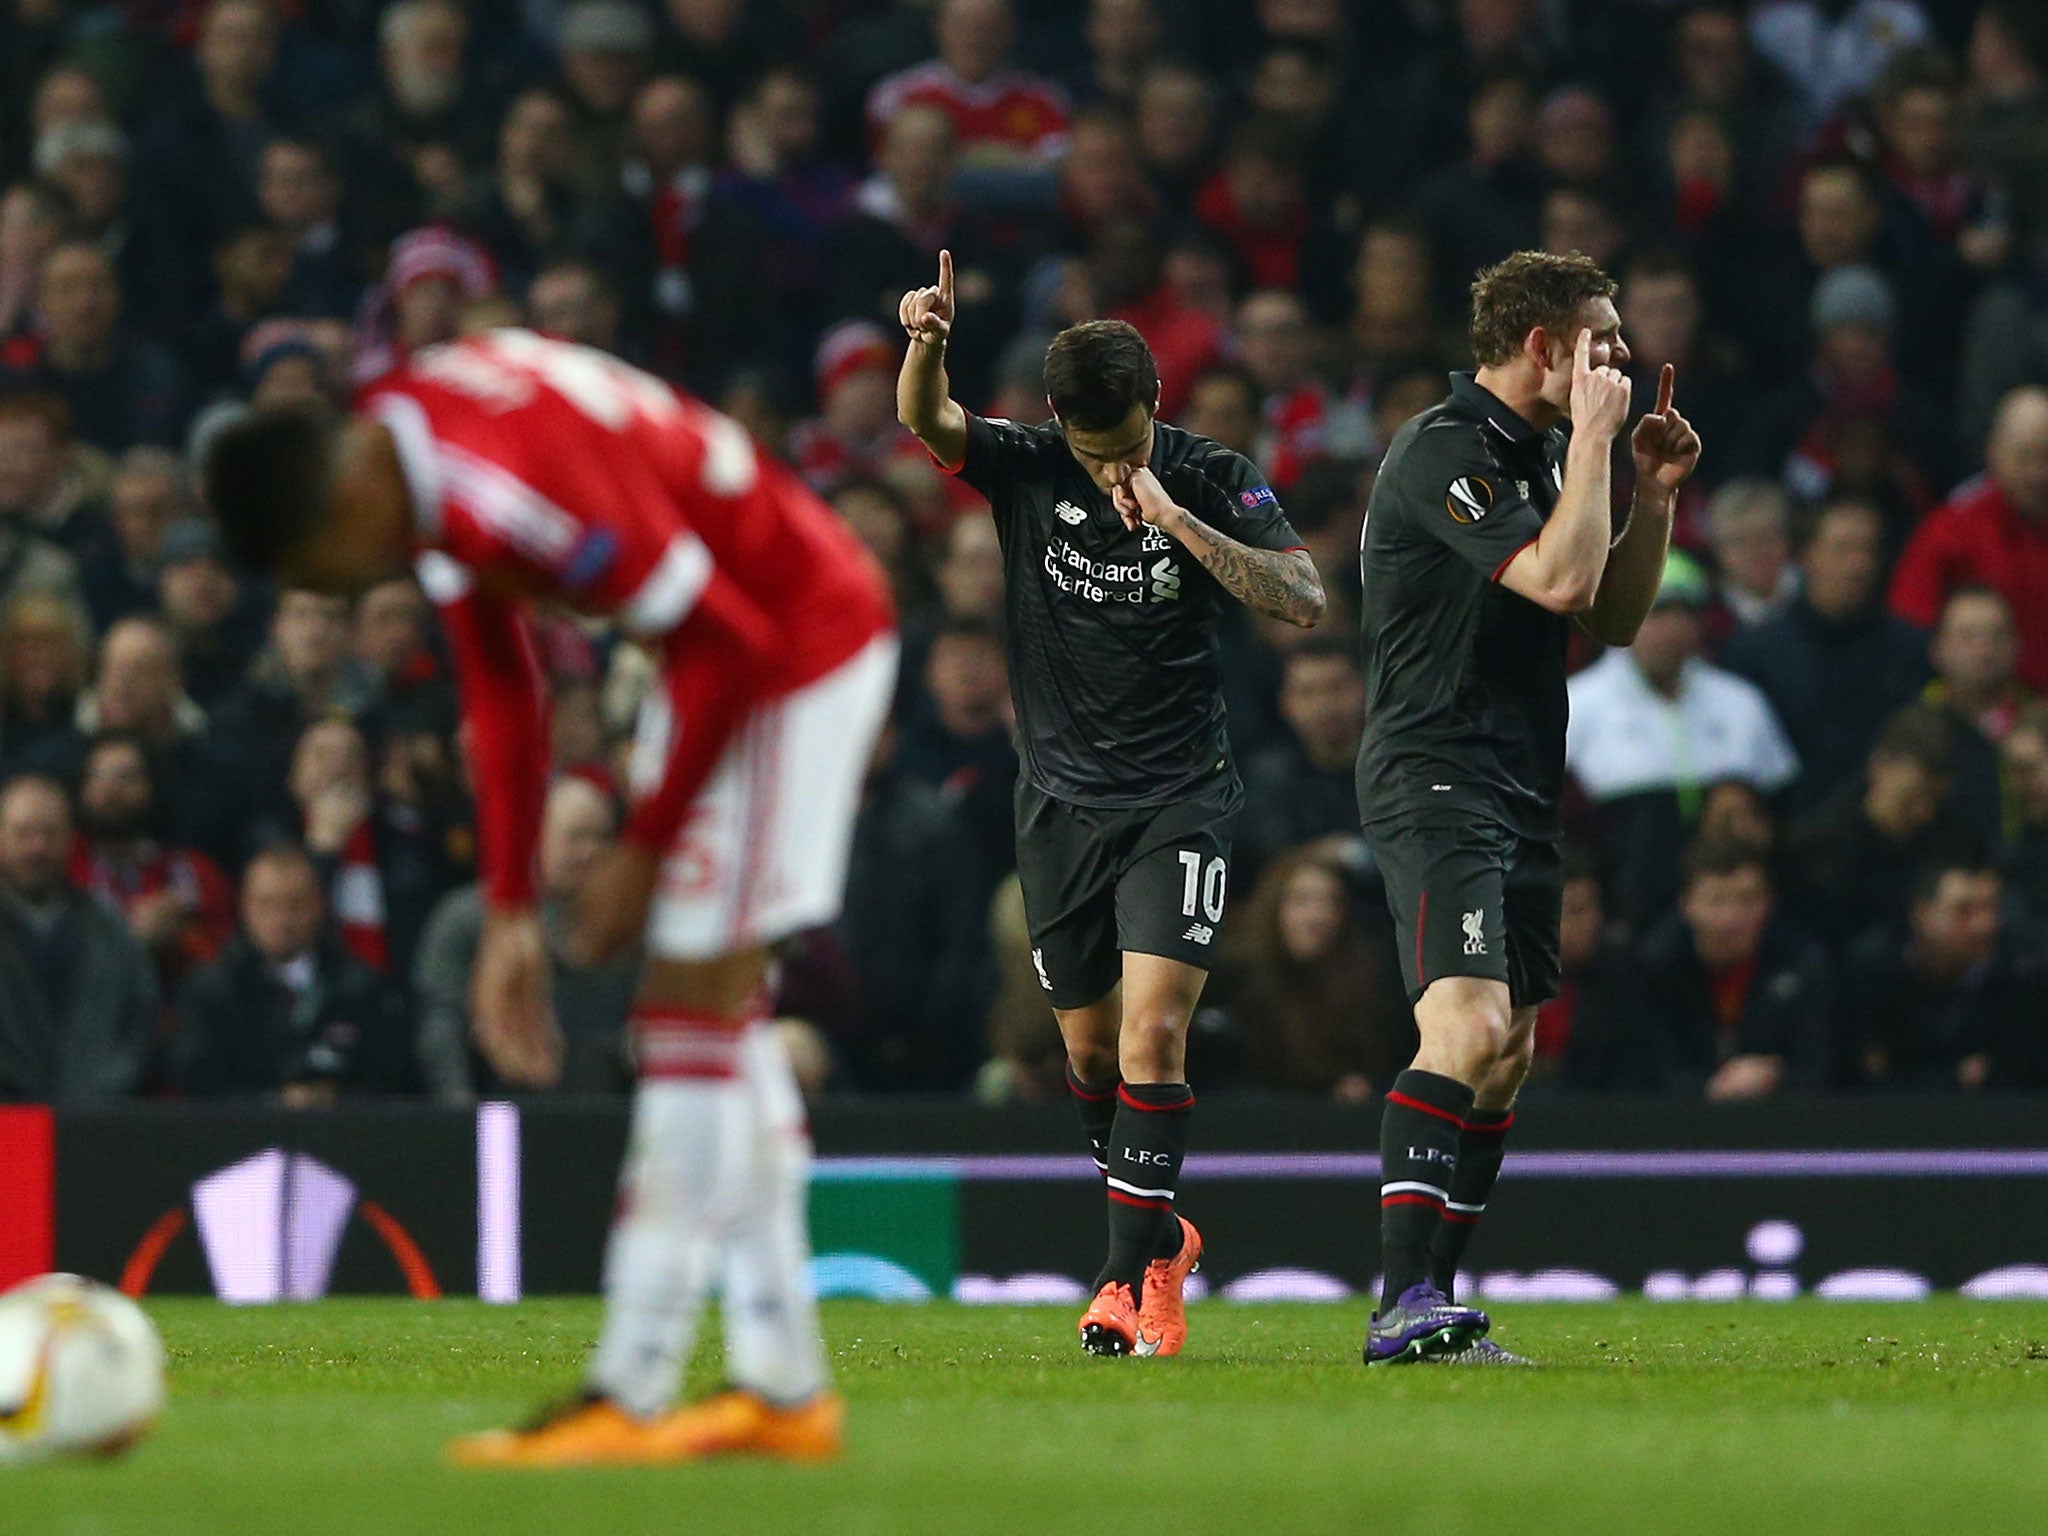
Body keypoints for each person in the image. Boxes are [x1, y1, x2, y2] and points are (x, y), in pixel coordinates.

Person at [203, 326, 894, 1464]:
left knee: (681, 1016)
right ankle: (781, 1386)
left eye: (334, 571)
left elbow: (733, 637)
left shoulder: (500, 493)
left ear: (342, 513)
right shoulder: (404, 433)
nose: (361, 585)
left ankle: (629, 1389)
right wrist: (509, 908)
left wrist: (639, 843)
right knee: (713, 1026)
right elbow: (499, 680)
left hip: (795, 648)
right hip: (722, 649)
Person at [895, 253, 1325, 1358]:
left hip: (1177, 796)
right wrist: (926, 343)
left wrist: (1177, 520)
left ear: (1157, 405)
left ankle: (1120, 1281)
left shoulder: (1211, 474)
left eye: (1128, 443)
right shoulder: (1029, 468)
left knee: (1154, 1031)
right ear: (1056, 423)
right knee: (1086, 1058)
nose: (1114, 466)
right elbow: (929, 423)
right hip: (1057, 807)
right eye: (1097, 453)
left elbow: (1302, 595)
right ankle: (1162, 1242)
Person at [1354, 249, 1699, 1363]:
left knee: (1507, 1056)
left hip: (1515, 775)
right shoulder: (1442, 450)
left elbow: (1605, 617)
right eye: (1601, 338)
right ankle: (1398, 1302)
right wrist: (1596, 445)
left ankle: (1437, 1306)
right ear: (1543, 346)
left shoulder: (1549, 453)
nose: (1620, 356)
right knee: (1464, 1023)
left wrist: (1649, 495)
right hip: (1433, 768)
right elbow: (1552, 582)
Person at [1565, 550, 1800, 924]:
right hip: (1622, 923)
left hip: (1730, 918)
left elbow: (1784, 807)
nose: (1673, 628)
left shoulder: (1740, 702)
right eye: (1656, 613)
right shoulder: (1576, 705)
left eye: (1685, 613)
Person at [414, 775, 639, 1101]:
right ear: (537, 837)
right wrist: (458, 1105)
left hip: (602, 1116)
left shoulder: (628, 927)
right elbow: (439, 1022)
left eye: (603, 838)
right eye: (576, 837)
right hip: (500, 1113)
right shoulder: (469, 918)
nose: (591, 851)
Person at [1721, 496, 1930, 814]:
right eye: (1843, 549)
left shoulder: (1911, 648)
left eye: (1868, 550)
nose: (1858, 565)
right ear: (1807, 556)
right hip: (1793, 836)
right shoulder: (1754, 654)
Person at [172, 842, 413, 1102]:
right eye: (267, 904)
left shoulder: (360, 986)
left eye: (295, 904)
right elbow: (199, 1089)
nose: (281, 919)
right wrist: (275, 1102)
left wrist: (336, 1099)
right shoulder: (211, 990)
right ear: (244, 907)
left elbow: (389, 1081)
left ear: (320, 905)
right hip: (240, 1137)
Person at [1624, 836, 1834, 1098]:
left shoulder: (1801, 961)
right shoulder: (1656, 967)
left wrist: (1774, 1077)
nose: (1731, 917)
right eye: (1716, 901)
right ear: (1686, 904)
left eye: (1746, 900)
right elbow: (1644, 1074)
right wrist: (1710, 1088)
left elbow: (1817, 1067)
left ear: (1768, 903)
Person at [0, 772, 156, 1101]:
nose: (37, 847)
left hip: (96, 1125)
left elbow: (138, 1025)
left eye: (50, 833)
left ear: (71, 838)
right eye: (23, 833)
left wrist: (96, 1095)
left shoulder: (109, 928)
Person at [1207, 846, 1410, 1099]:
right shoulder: (1228, 982)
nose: (1317, 916)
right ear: (1274, 908)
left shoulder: (1367, 983)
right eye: (1301, 901)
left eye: (1330, 902)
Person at [1842, 853, 2047, 1090]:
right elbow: (1866, 1080)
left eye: (1992, 908)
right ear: (1921, 915)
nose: (1985, 925)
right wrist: (1953, 1079)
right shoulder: (1873, 969)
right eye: (1964, 911)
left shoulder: (2021, 976)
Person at [1889, 386, 2048, 692]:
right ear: (1994, 453)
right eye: (2025, 457)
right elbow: (1908, 628)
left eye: (2046, 458)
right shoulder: (1952, 528)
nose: (2038, 474)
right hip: (1976, 709)